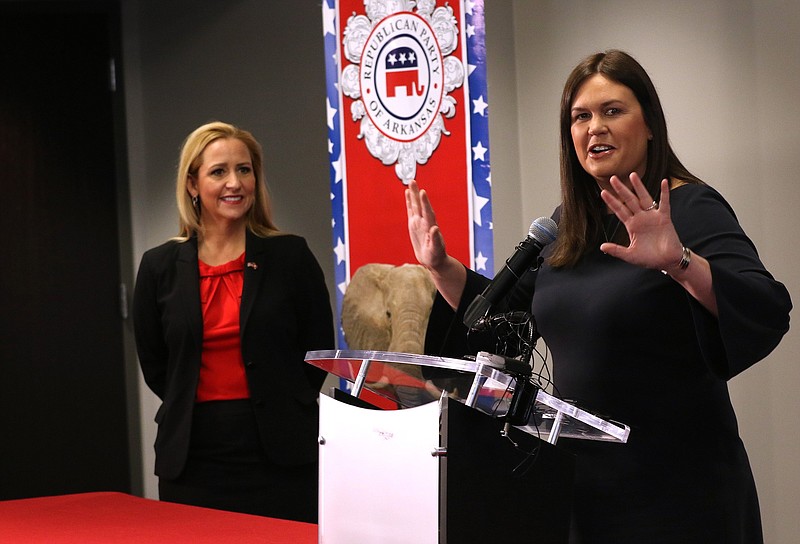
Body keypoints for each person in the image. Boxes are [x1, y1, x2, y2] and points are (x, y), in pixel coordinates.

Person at [406, 50, 791, 543]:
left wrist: (678, 260)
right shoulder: (568, 225)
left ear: (650, 124)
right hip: (584, 487)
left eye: (613, 111)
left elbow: (764, 305)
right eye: (581, 117)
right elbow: (501, 315)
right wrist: (440, 267)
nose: (595, 128)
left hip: (679, 488)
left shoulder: (689, 206)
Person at [133, 121, 334, 522]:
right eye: (218, 171)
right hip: (192, 455)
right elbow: (157, 365)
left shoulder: (290, 256)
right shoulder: (159, 266)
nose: (235, 183)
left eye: (244, 169)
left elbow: (316, 352)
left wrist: (282, 401)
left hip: (280, 453)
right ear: (192, 184)